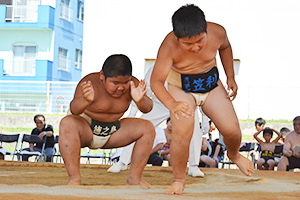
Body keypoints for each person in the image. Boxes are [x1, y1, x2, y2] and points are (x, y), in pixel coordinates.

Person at [150, 4, 254, 194]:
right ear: (177, 37)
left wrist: (230, 76)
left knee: (232, 130)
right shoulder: (168, 46)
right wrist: (172, 104)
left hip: (212, 86)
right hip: (181, 89)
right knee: (183, 132)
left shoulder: (218, 32)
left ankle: (234, 154)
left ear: (205, 30)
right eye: (187, 44)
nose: (195, 48)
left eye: (199, 41)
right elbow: (156, 81)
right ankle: (179, 179)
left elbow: (226, 48)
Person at [59, 54, 155, 186]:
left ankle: (134, 178)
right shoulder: (89, 83)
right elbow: (74, 110)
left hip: (113, 132)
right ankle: (74, 179)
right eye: (115, 83)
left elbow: (148, 108)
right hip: (85, 130)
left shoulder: (133, 84)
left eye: (125, 83)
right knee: (67, 123)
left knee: (147, 128)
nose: (120, 88)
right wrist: (85, 100)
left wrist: (140, 100)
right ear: (102, 76)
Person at [108, 66, 205, 177]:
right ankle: (122, 162)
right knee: (137, 128)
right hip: (160, 103)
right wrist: (133, 112)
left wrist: (204, 117)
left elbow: (201, 93)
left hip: (184, 104)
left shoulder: (193, 65)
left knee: (195, 130)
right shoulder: (157, 66)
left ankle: (194, 166)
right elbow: (144, 90)